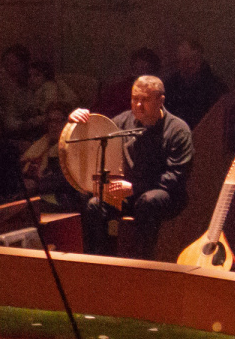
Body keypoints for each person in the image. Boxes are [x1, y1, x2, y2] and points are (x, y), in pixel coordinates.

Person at [68, 76, 192, 258]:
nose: (138, 105)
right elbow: (95, 134)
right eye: (135, 99)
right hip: (128, 193)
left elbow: (176, 176)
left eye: (145, 100)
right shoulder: (122, 122)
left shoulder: (178, 130)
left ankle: (142, 264)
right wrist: (78, 120)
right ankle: (100, 262)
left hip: (165, 194)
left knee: (149, 201)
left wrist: (134, 187)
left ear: (160, 101)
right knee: (94, 205)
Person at [163, 39, 226, 129]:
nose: (185, 65)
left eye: (190, 60)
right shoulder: (170, 86)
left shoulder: (215, 87)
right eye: (181, 61)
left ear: (199, 60)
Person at [0, 44, 46, 141]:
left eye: (14, 64)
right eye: (7, 65)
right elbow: (8, 118)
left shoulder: (42, 83)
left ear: (24, 64)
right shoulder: (4, 87)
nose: (10, 69)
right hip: (18, 133)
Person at [95, 47, 159, 118]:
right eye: (137, 70)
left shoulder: (157, 94)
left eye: (144, 70)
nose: (140, 75)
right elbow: (98, 114)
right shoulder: (118, 91)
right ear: (132, 69)